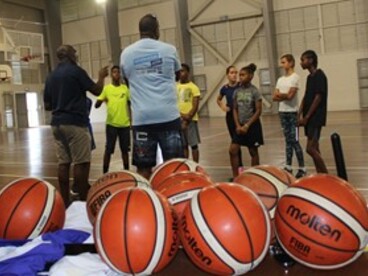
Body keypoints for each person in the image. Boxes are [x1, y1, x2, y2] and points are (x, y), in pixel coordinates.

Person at [120, 14, 183, 180]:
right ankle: (174, 202)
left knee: (143, 169)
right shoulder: (169, 50)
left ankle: (147, 203)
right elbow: (177, 76)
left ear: (140, 31)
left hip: (142, 120)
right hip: (168, 117)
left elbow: (127, 81)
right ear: (156, 30)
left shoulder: (126, 54)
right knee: (174, 167)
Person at [44, 45, 108, 206]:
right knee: (82, 162)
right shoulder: (76, 71)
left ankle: (65, 201)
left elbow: (47, 105)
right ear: (70, 55)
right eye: (75, 53)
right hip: (75, 123)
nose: (76, 56)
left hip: (57, 124)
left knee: (63, 163)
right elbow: (97, 90)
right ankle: (82, 200)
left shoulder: (51, 76)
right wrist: (101, 76)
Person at [273, 54, 306, 178]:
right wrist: (284, 95)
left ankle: (302, 167)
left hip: (293, 114)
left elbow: (290, 96)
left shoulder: (295, 77)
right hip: (283, 113)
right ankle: (288, 166)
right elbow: (274, 96)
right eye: (281, 62)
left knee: (295, 140)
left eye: (284, 62)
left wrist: (281, 95)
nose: (282, 65)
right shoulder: (280, 79)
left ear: (291, 63)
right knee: (287, 140)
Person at [230, 63, 264, 178]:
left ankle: (255, 176)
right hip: (240, 125)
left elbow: (258, 110)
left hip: (252, 126)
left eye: (243, 75)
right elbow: (234, 109)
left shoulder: (255, 91)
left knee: (253, 152)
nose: (240, 77)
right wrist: (238, 125)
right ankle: (236, 176)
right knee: (233, 150)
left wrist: (247, 125)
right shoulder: (237, 91)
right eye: (240, 75)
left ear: (250, 76)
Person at [95, 66, 131, 173]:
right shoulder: (107, 89)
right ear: (111, 74)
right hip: (111, 125)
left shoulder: (125, 89)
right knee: (108, 150)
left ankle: (126, 171)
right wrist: (101, 100)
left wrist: (132, 121)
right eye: (114, 72)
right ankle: (104, 173)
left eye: (118, 72)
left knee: (125, 150)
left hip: (125, 124)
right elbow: (96, 105)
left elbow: (130, 104)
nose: (117, 74)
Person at [299, 50, 328, 173]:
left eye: (303, 60)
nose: (301, 63)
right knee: (315, 147)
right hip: (308, 118)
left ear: (311, 60)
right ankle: (320, 173)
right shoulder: (309, 78)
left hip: (315, 118)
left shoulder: (320, 76)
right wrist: (299, 112)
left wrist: (307, 117)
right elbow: (306, 96)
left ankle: (326, 174)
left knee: (310, 149)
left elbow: (318, 97)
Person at [217, 66, 243, 173]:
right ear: (227, 75)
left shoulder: (241, 86)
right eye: (232, 72)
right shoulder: (225, 88)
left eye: (236, 72)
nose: (234, 75)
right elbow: (218, 99)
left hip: (241, 116)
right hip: (230, 117)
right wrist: (223, 107)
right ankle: (239, 168)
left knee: (239, 143)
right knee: (235, 142)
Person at [177, 63, 201, 162]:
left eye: (182, 71)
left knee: (193, 145)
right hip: (179, 119)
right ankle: (185, 165)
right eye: (179, 71)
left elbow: (195, 106)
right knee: (183, 145)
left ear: (188, 72)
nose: (180, 73)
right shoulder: (175, 86)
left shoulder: (193, 87)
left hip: (190, 120)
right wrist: (181, 116)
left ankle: (195, 166)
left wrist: (188, 118)